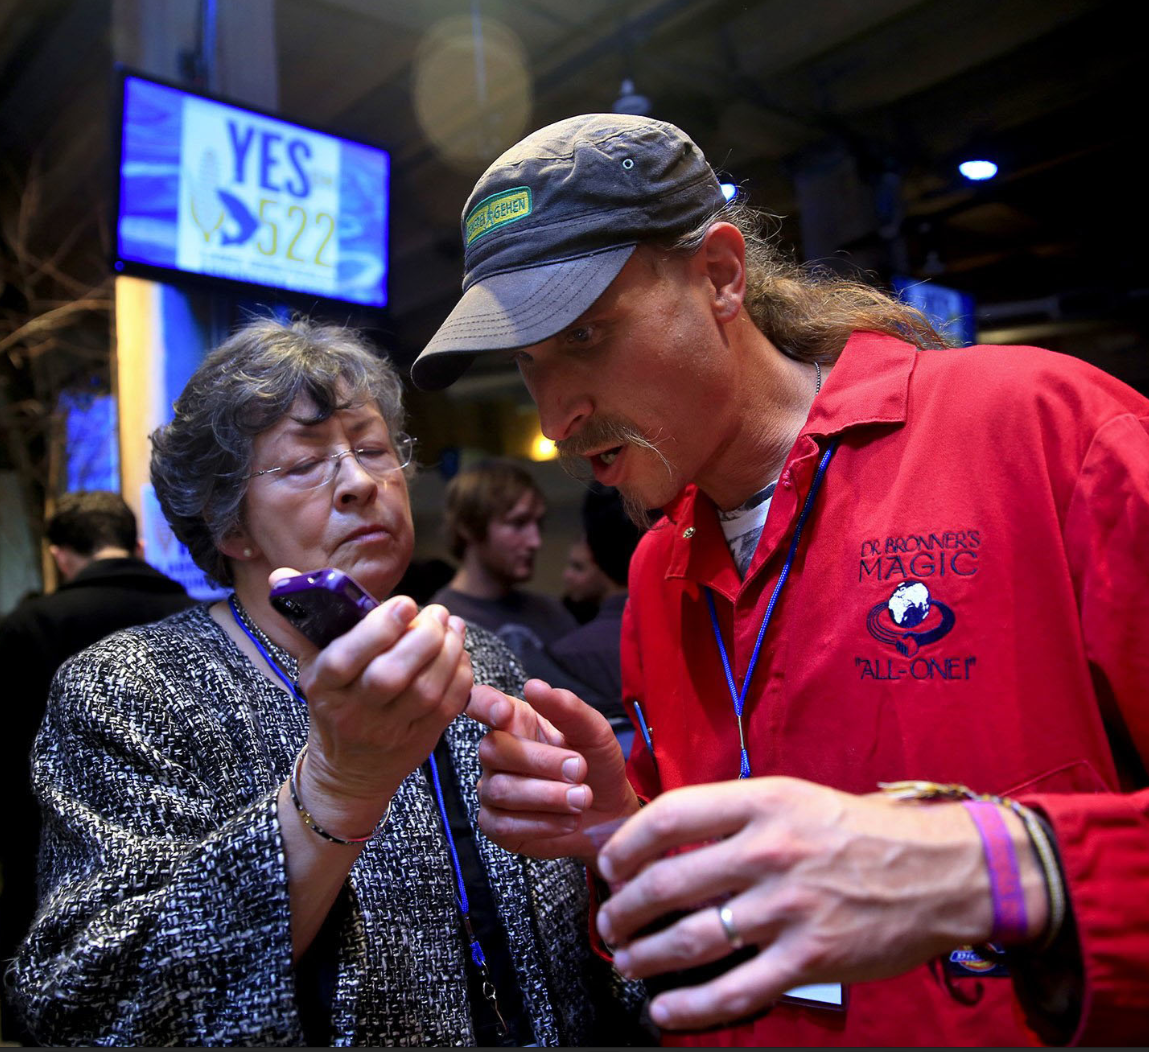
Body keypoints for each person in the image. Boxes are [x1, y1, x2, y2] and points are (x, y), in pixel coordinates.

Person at [409, 113, 1149, 1046]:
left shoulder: (1041, 433)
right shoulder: (660, 566)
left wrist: (1002, 869)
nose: (556, 417)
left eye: (587, 334)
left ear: (720, 275)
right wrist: (622, 833)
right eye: (528, 364)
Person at [7, 318, 642, 1046]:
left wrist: (609, 845)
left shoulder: (483, 658)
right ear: (230, 524)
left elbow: (594, 963)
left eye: (372, 449)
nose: (361, 483)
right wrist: (336, 790)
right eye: (305, 462)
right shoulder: (133, 688)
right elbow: (89, 1005)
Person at [0, 491, 193, 1042]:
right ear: (134, 544)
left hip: (45, 847)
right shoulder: (193, 619)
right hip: (179, 849)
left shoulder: (29, 626)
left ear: (61, 555)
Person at [432, 457, 578, 660]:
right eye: (518, 523)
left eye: (538, 523)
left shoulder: (550, 612)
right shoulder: (442, 623)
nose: (535, 542)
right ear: (469, 527)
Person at [549, 484, 641, 733]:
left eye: (578, 567)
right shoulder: (699, 633)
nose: (566, 577)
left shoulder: (565, 656)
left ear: (593, 555)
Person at [561, 537, 612, 625]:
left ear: (605, 571)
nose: (567, 575)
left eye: (578, 567)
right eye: (570, 565)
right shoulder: (560, 615)